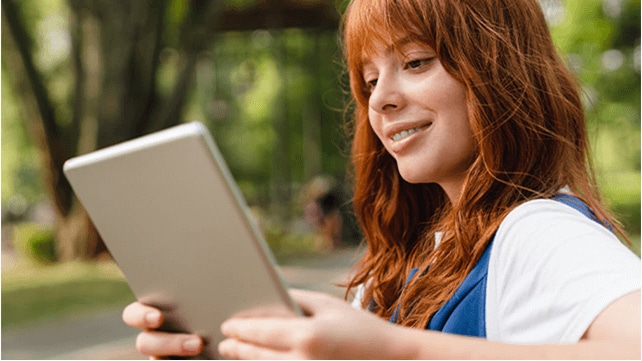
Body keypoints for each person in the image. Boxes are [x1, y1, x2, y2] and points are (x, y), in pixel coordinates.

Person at [122, 0, 641, 358]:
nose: (381, 99)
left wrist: (392, 352)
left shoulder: (538, 231)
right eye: (370, 80)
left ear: (498, 70)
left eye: (416, 62)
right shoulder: (396, 267)